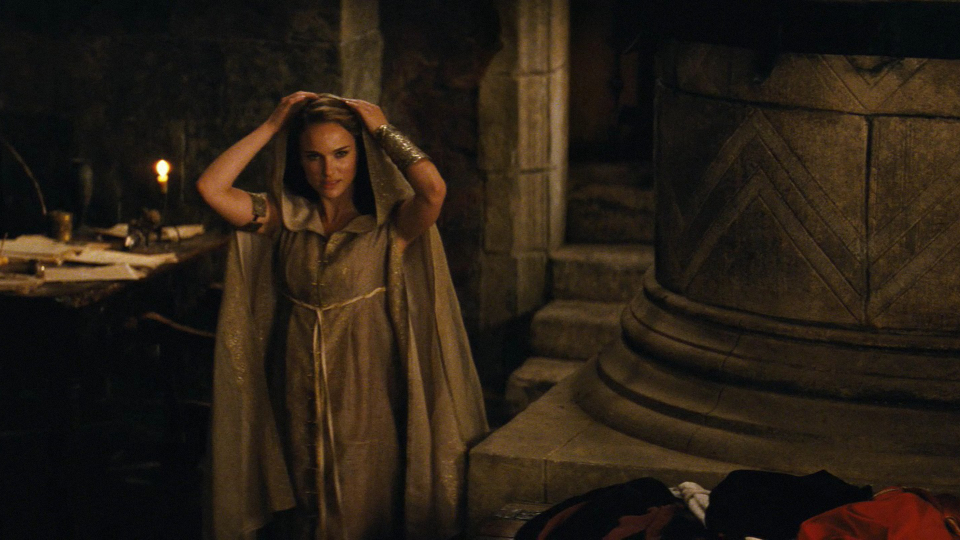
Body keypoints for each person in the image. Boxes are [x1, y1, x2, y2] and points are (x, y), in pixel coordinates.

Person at [196, 91, 488, 540]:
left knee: (360, 507)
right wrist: (274, 125)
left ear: (361, 156)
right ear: (298, 160)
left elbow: (433, 191)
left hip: (368, 398)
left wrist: (383, 129)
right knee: (301, 510)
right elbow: (211, 189)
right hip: (293, 392)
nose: (327, 170)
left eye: (341, 154)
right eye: (313, 157)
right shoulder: (283, 220)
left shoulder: (389, 227)